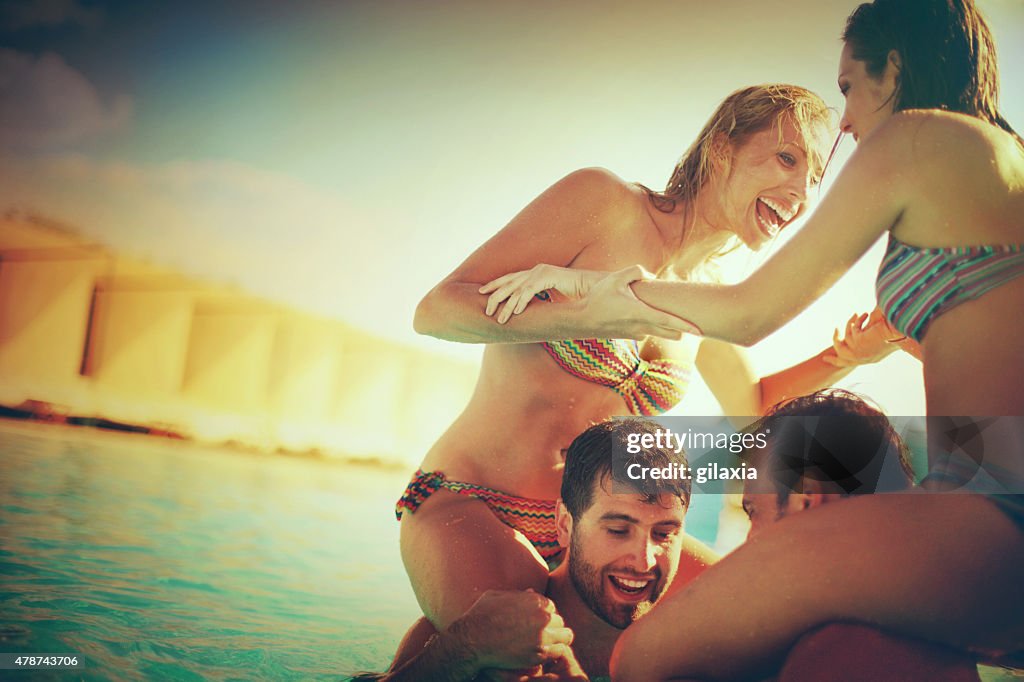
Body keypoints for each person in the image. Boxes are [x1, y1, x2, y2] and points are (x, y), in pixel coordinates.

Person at [480, 0, 1024, 677]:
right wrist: (894, 345)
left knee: (641, 659)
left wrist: (598, 290)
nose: (848, 119)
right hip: (990, 498)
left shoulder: (916, 137)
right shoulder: (1005, 162)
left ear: (897, 64)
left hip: (989, 504)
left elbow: (747, 312)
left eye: (850, 86)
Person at [404, 82, 902, 638]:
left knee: (759, 628)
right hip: (473, 502)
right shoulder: (604, 204)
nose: (800, 193)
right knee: (523, 658)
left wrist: (855, 352)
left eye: (813, 180)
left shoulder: (717, 293)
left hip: (603, 536)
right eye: (787, 159)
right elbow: (438, 310)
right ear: (722, 148)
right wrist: (587, 318)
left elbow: (752, 408)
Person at [378, 418, 692, 681]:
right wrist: (461, 649)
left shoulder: (688, 650)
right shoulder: (486, 626)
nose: (644, 560)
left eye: (664, 533)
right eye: (618, 531)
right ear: (565, 525)